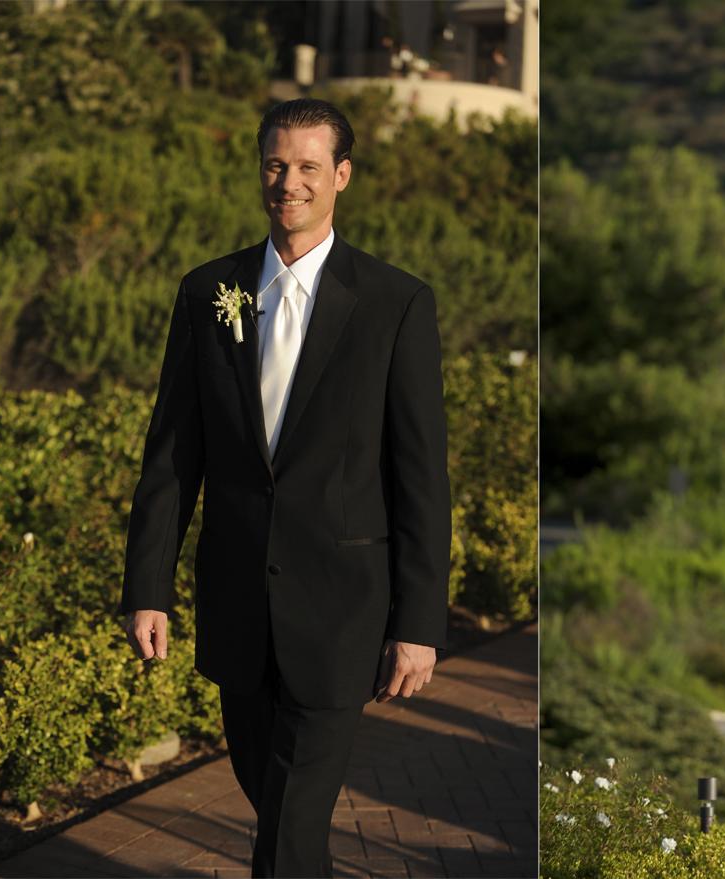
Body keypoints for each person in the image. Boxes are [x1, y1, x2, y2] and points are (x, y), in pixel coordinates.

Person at [119, 98, 450, 877]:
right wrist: (148, 588)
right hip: (238, 604)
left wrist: (420, 620)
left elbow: (420, 473)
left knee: (293, 814)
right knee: (279, 809)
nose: (289, 182)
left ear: (341, 175)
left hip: (343, 614)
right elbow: (171, 456)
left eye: (308, 166)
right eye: (276, 164)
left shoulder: (397, 303)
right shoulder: (208, 294)